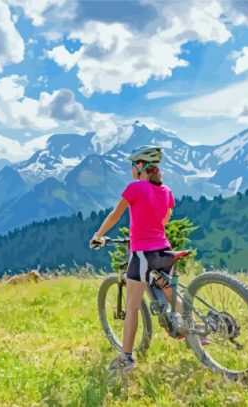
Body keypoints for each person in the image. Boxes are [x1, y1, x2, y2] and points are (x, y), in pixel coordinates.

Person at [89, 145, 177, 373]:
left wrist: (98, 235)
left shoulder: (135, 188)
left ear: (140, 166)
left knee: (132, 307)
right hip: (165, 252)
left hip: (143, 255)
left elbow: (115, 215)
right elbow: (164, 219)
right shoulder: (166, 191)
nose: (130, 170)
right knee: (172, 295)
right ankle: (193, 330)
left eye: (132, 165)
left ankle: (126, 358)